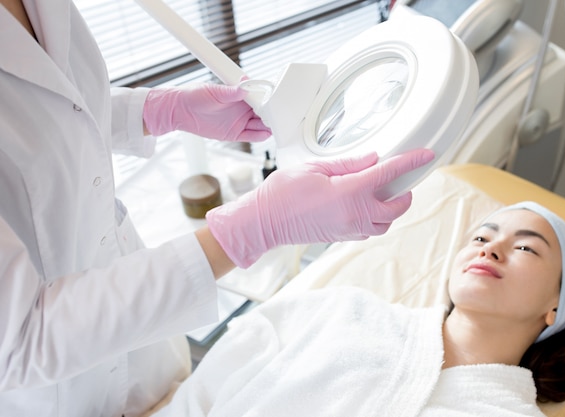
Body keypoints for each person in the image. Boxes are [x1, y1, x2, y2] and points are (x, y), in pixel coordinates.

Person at [0, 0, 435, 416]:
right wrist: (254, 227)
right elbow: (20, 341)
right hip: (50, 393)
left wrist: (153, 111)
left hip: (136, 331)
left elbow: (51, 109)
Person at [151, 201, 565, 417]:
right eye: (481, 237)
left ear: (556, 305)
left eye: (525, 247)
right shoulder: (343, 311)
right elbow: (203, 394)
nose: (491, 249)